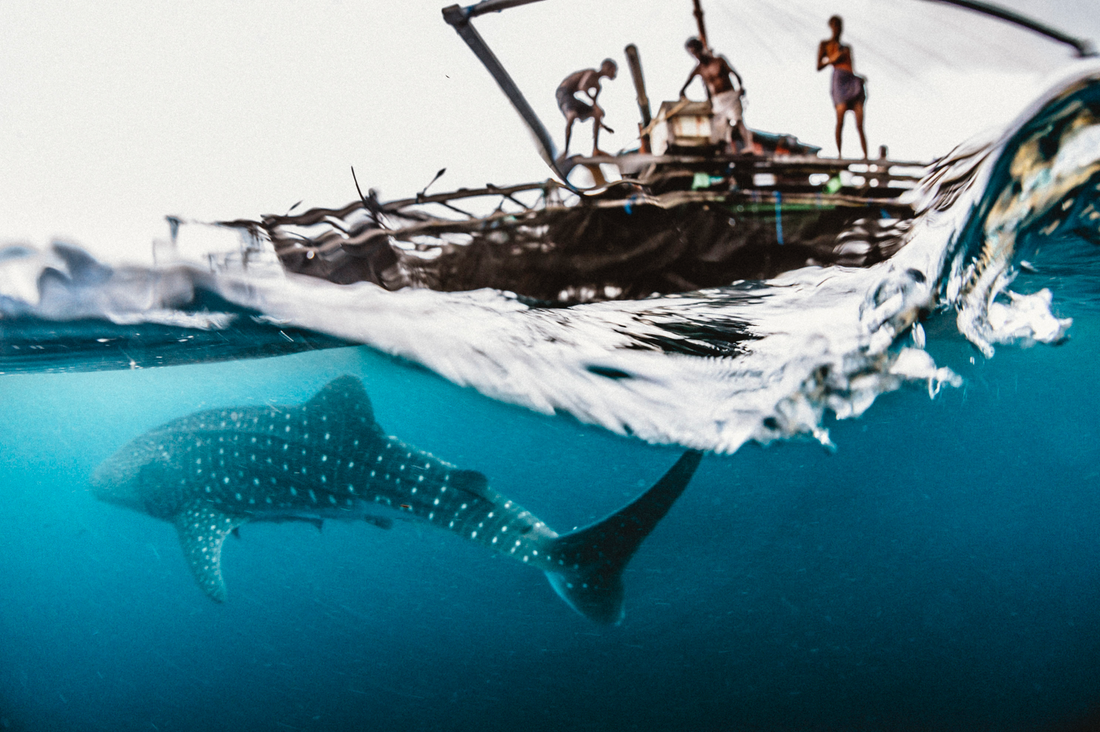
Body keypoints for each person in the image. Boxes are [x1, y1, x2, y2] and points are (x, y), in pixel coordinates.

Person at [678, 37, 754, 154]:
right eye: (693, 54)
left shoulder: (719, 60)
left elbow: (735, 74)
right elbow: (684, 88)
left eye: (696, 52)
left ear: (701, 49)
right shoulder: (699, 69)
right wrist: (684, 95)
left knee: (738, 120)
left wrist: (740, 88)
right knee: (721, 128)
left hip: (730, 95)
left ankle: (749, 147)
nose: (696, 55)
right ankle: (728, 153)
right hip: (717, 100)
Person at [817, 15, 868, 159]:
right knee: (840, 120)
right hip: (839, 80)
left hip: (850, 78)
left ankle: (866, 157)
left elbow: (852, 66)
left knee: (859, 122)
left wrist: (859, 78)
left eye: (839, 25)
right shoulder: (825, 45)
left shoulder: (846, 47)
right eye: (835, 25)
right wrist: (832, 59)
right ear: (831, 26)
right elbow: (819, 65)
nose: (838, 28)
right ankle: (839, 154)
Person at [556, 59, 617, 158]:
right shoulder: (591, 73)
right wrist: (595, 103)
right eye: (613, 70)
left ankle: (595, 149)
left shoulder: (598, 86)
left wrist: (602, 124)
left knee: (597, 114)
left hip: (572, 97)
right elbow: (582, 87)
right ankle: (566, 151)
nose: (613, 74)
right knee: (572, 116)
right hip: (564, 93)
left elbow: (594, 106)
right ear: (607, 68)